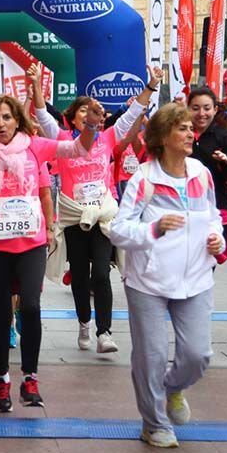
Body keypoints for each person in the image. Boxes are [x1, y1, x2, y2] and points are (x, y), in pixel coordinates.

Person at [0, 93, 103, 412]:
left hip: (30, 244)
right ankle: (1, 379)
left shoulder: (34, 145)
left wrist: (92, 126)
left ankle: (30, 376)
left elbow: (77, 149)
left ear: (17, 119)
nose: (1, 124)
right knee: (1, 315)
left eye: (7, 117)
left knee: (30, 306)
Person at [109, 102, 226, 449]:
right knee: (151, 354)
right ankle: (155, 423)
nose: (191, 133)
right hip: (149, 281)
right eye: (182, 128)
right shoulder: (144, 179)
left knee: (197, 354)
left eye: (191, 128)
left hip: (197, 278)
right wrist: (154, 229)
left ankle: (173, 387)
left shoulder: (201, 173)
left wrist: (216, 237)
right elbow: (119, 230)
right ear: (163, 136)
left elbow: (212, 215)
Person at [56, 68, 162, 356]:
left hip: (103, 216)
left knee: (101, 274)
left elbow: (133, 114)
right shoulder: (63, 141)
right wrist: (34, 90)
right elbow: (40, 115)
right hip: (75, 217)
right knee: (79, 275)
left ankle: (105, 332)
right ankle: (84, 323)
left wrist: (151, 85)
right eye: (85, 112)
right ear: (74, 117)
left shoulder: (108, 138)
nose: (92, 116)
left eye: (96, 113)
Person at [188, 86, 227, 224]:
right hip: (185, 206)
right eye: (195, 108)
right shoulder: (180, 134)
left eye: (207, 108)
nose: (201, 113)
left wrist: (226, 162)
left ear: (215, 110)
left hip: (217, 206)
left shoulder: (223, 136)